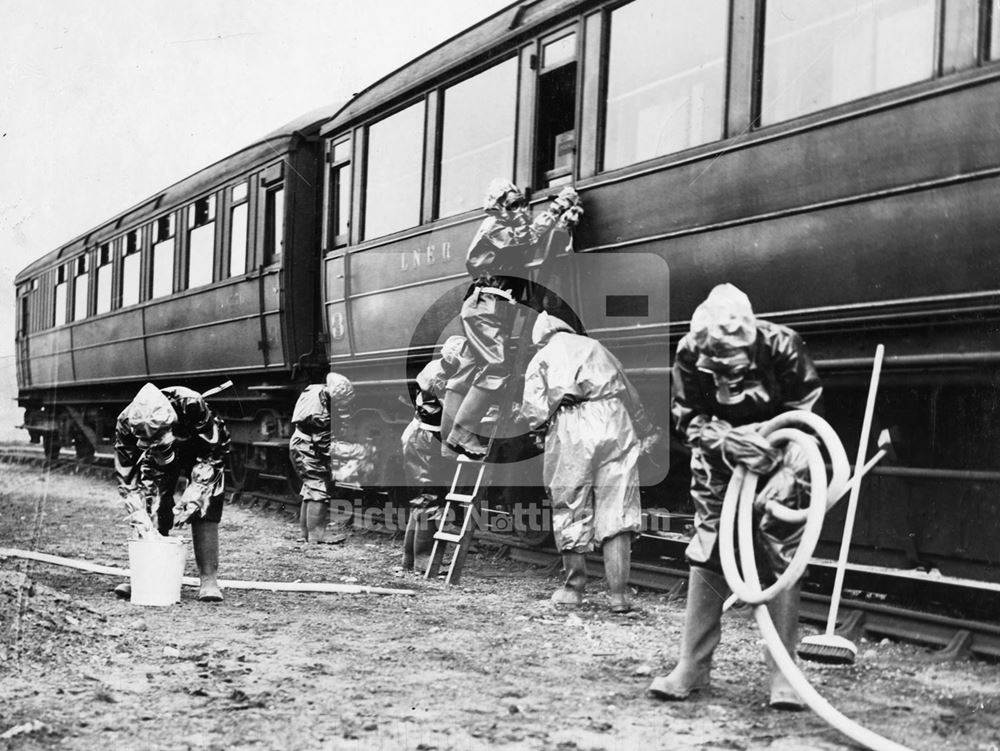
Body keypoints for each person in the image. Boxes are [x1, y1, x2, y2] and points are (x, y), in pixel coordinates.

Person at [647, 283, 822, 710]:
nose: (725, 375)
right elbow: (686, 418)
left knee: (782, 547)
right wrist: (724, 439)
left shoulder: (782, 345)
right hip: (719, 456)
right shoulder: (690, 351)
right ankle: (692, 666)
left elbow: (806, 414)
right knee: (709, 546)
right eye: (717, 366)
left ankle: (784, 673)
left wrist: (782, 457)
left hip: (783, 456)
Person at [519, 312, 661, 613]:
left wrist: (539, 432)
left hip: (572, 426)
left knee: (570, 504)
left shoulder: (542, 357)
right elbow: (629, 392)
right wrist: (646, 429)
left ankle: (574, 589)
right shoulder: (597, 347)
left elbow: (534, 411)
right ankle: (619, 595)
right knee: (618, 506)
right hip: (615, 420)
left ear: (540, 337)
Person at [446, 178, 583, 459]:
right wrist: (558, 207)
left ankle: (454, 440)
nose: (520, 209)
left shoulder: (502, 226)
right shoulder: (495, 227)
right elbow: (530, 237)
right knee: (497, 368)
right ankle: (460, 435)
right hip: (486, 306)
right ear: (498, 208)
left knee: (476, 370)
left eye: (522, 203)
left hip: (489, 307)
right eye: (513, 205)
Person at [114, 382, 231, 602]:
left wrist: (196, 493)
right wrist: (137, 512)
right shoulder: (125, 423)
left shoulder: (191, 404)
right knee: (152, 501)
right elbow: (127, 475)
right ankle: (145, 576)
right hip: (154, 459)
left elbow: (214, 452)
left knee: (207, 502)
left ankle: (208, 579)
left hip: (201, 450)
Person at [288, 372, 355, 544]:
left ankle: (306, 535)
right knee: (319, 489)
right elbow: (324, 445)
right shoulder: (321, 416)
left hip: (300, 441)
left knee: (310, 487)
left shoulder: (316, 389)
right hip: (308, 446)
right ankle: (316, 537)